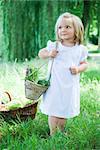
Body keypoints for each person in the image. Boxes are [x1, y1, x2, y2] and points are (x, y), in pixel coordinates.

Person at [38, 12, 88, 136]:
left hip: (69, 86)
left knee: (64, 110)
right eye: (60, 27)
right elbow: (40, 53)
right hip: (54, 85)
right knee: (54, 109)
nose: (63, 30)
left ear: (76, 30)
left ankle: (61, 130)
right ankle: (53, 133)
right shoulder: (55, 46)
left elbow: (84, 64)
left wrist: (78, 69)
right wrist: (49, 54)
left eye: (67, 27)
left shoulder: (80, 49)